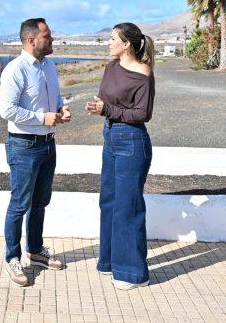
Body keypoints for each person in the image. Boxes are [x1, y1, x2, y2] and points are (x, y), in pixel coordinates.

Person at [0, 17, 71, 287]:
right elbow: (6, 110)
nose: (53, 40)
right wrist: (43, 118)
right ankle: (12, 258)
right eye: (48, 36)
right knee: (19, 204)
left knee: (40, 201)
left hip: (48, 144)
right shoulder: (15, 70)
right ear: (32, 40)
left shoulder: (50, 66)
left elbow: (56, 98)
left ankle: (36, 251)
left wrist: (61, 110)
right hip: (23, 145)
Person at [85, 22, 155, 290]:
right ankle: (110, 261)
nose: (109, 42)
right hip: (111, 136)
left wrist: (109, 109)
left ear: (126, 44)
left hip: (132, 140)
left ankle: (134, 273)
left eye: (113, 38)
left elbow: (142, 114)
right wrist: (100, 108)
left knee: (128, 207)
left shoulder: (143, 72)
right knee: (109, 202)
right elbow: (107, 102)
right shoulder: (111, 67)